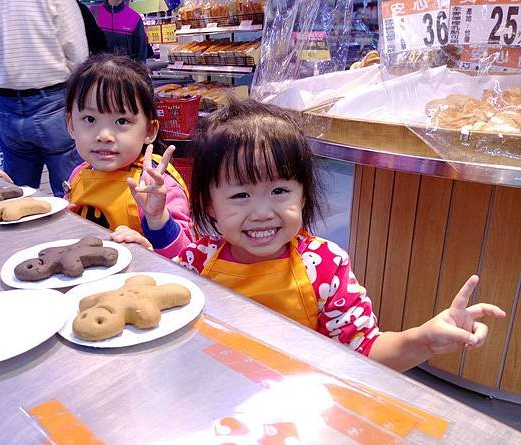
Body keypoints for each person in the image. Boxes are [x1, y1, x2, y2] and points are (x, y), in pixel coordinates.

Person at [122, 99, 506, 372]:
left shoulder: (323, 266)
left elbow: (366, 351)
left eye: (279, 191)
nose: (261, 212)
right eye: (240, 194)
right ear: (208, 204)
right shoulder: (202, 257)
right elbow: (168, 291)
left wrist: (422, 341)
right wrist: (147, 236)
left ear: (303, 194)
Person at [0, 54, 193, 259]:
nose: (104, 135)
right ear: (71, 125)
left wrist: (156, 219)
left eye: (121, 121)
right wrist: (19, 198)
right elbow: (67, 222)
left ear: (149, 130)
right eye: (90, 119)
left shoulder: (157, 186)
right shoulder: (80, 173)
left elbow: (186, 256)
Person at [0, 0, 88, 197]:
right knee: (72, 192)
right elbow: (77, 52)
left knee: (14, 196)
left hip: (5, 102)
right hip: (52, 97)